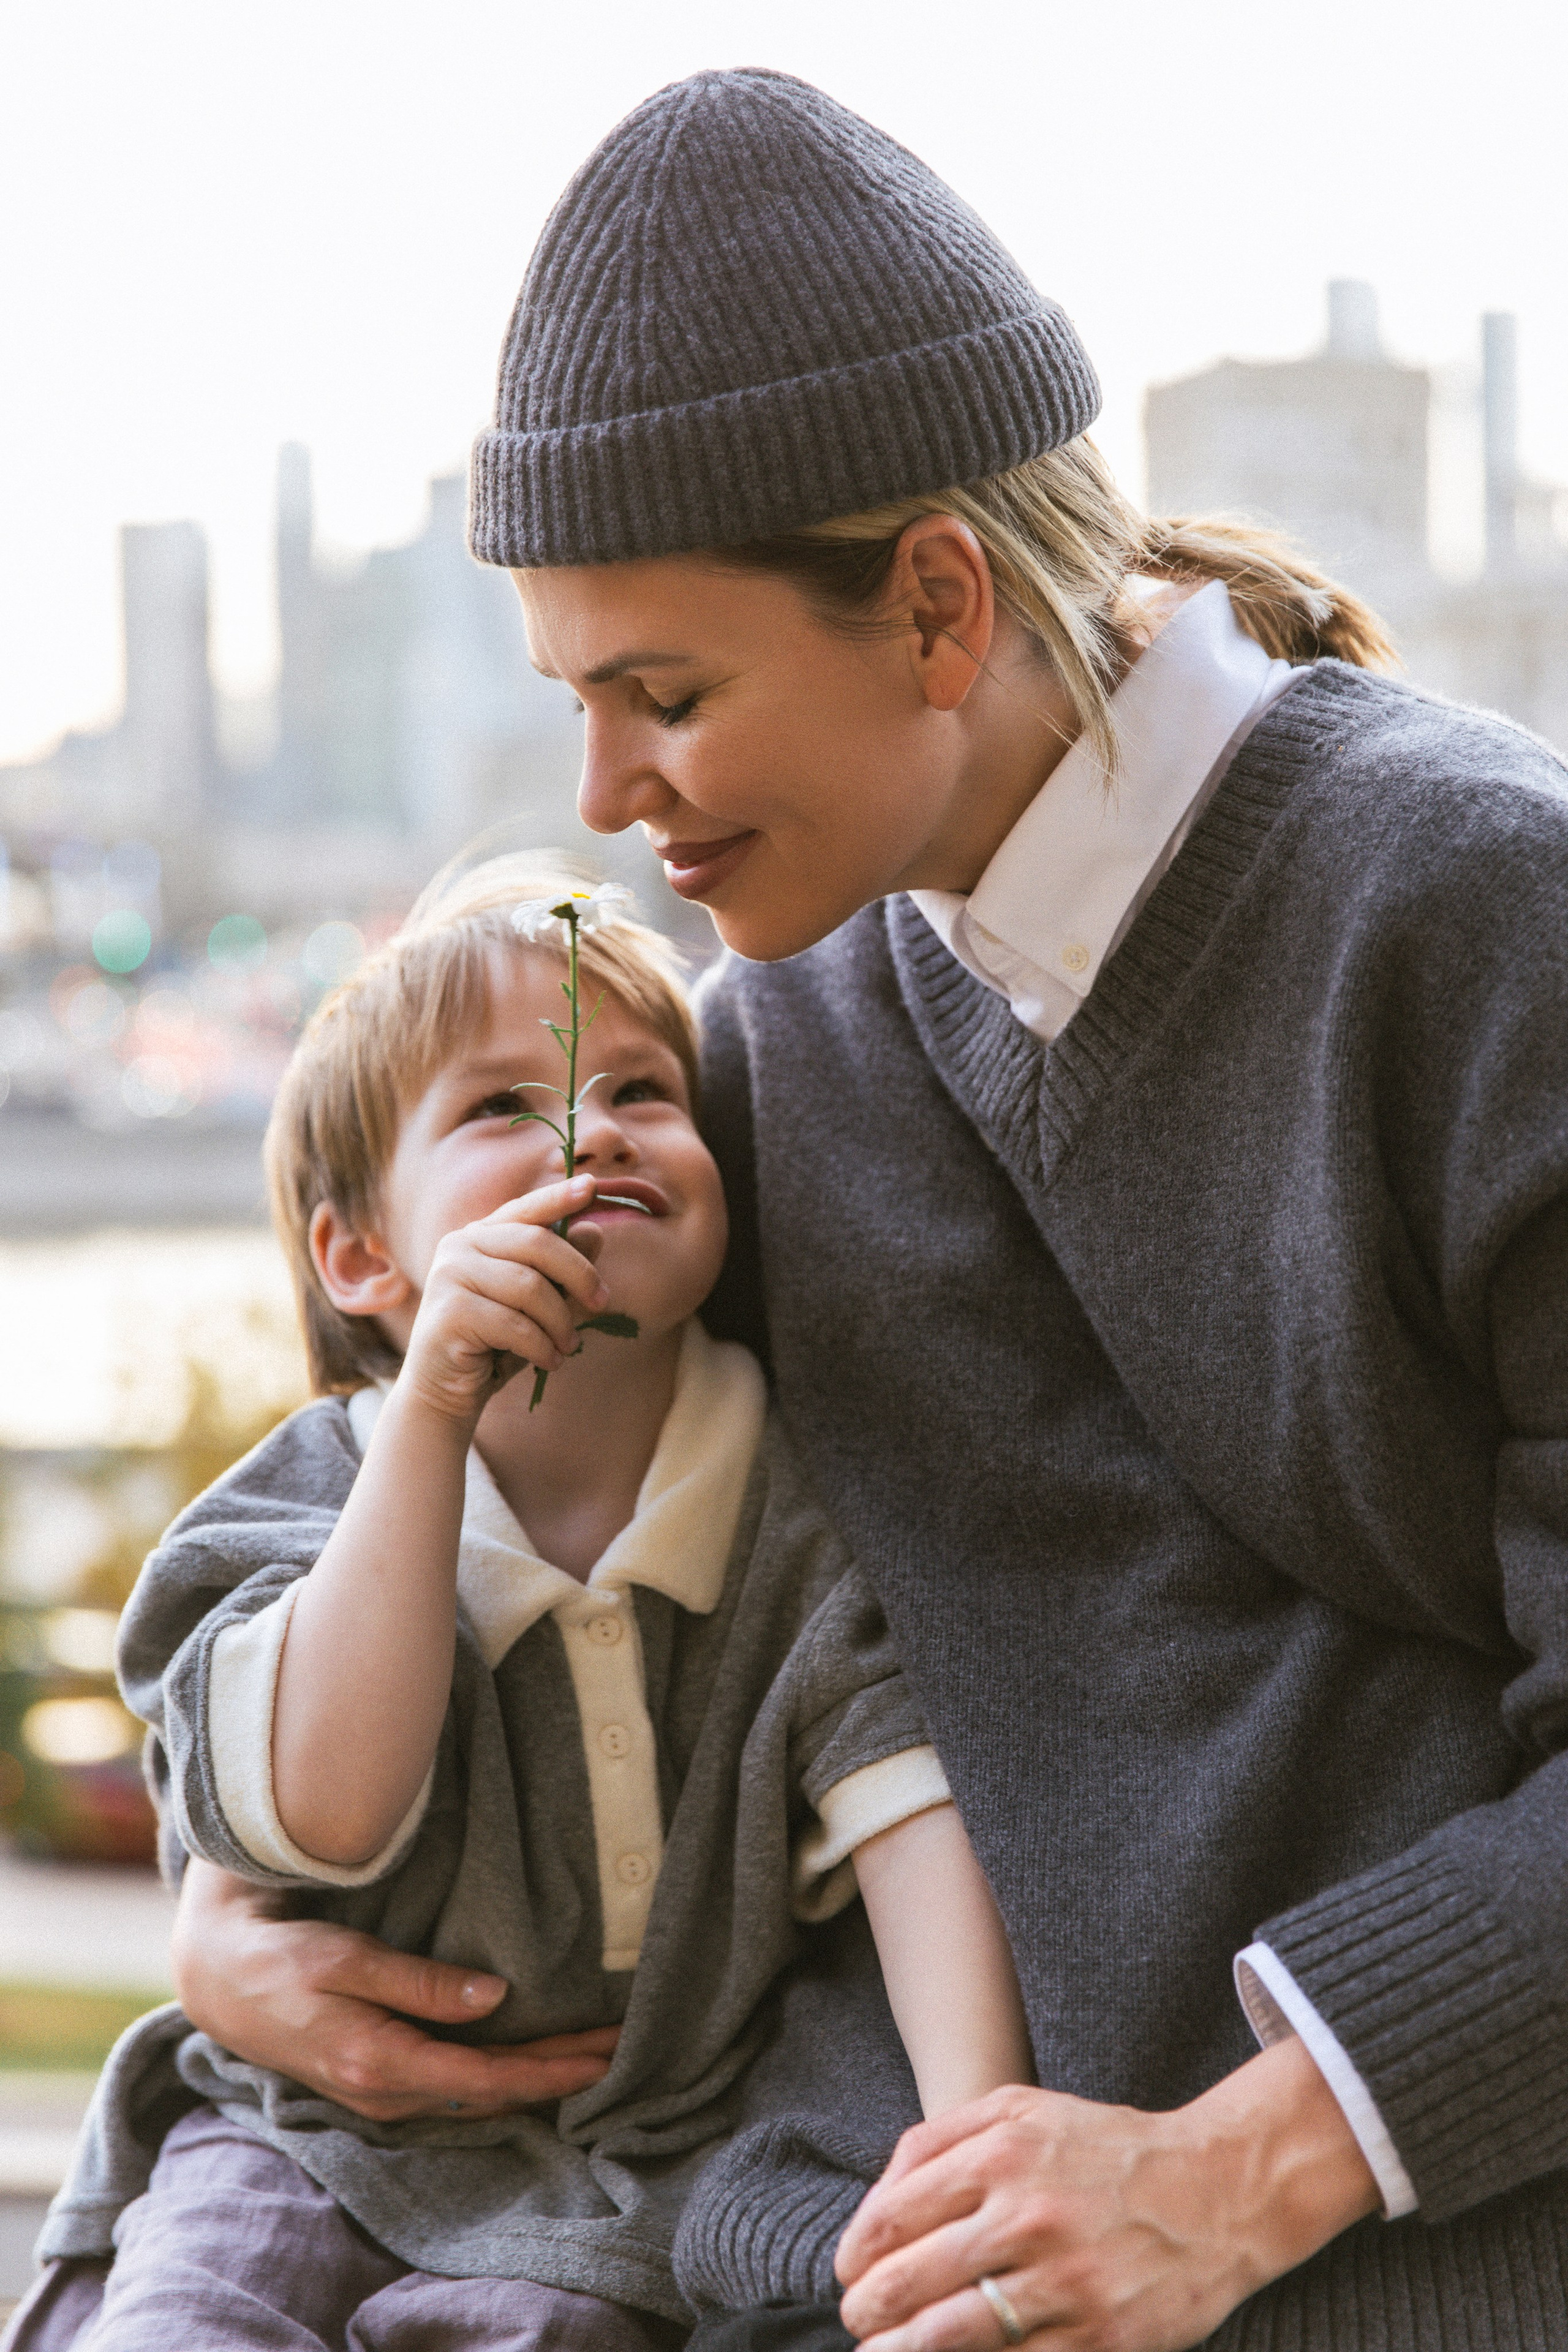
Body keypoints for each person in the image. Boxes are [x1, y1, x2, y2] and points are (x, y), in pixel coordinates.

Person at [31, 64, 1568, 2352]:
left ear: (938, 603)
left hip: (1363, 2267)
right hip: (794, 2245)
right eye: (569, 701)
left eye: (662, 694)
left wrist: (1239, 2171)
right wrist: (217, 1908)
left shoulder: (1480, 927)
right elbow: (433, 1490)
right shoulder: (765, 1025)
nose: (600, 799)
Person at [8, 854, 1031, 2352]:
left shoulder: (804, 1514)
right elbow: (327, 1811)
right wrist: (431, 1411)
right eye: (502, 1109)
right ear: (363, 1258)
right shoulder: (291, 1505)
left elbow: (907, 1814)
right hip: (298, 2136)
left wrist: (975, 2158)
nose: (587, 1125)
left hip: (629, 2174)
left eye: (640, 1090)